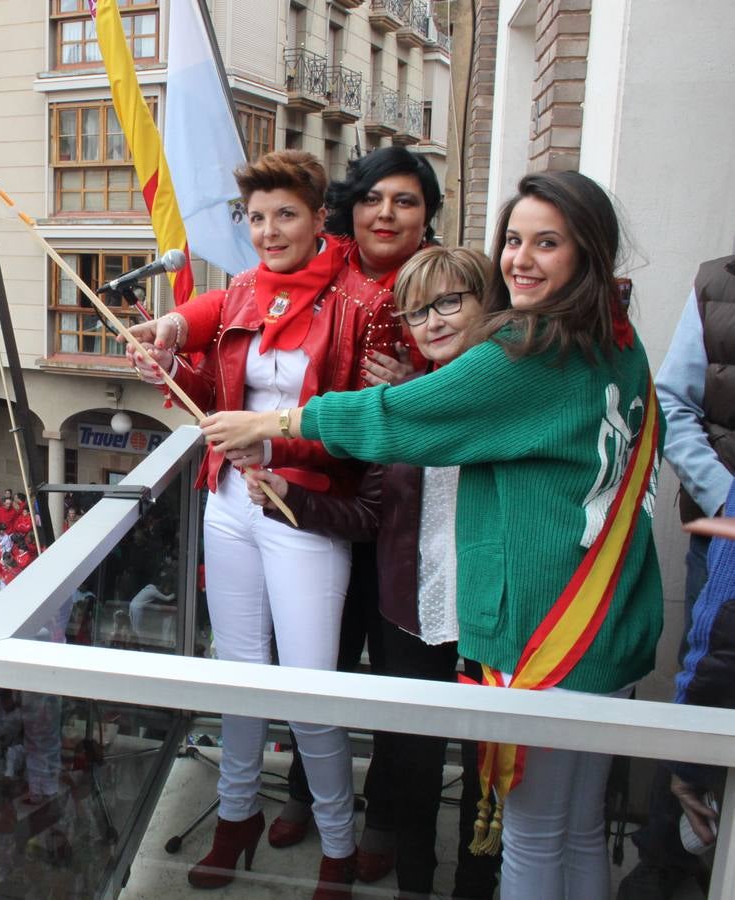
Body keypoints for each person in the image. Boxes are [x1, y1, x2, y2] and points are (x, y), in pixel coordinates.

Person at [203, 170, 663, 900]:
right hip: (607, 619)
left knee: (534, 841)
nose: (522, 259)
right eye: (514, 239)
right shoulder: (616, 337)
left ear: (590, 252)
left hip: (550, 634)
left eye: (548, 243)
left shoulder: (530, 351)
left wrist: (272, 422)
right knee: (578, 832)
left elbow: (394, 416)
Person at [124, 149, 405, 892]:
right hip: (229, 503)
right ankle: (235, 813)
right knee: (237, 675)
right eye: (256, 218)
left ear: (319, 217)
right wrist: (167, 357)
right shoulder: (245, 290)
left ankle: (338, 848)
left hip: (306, 508)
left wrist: (271, 438)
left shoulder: (364, 302)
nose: (269, 231)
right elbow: (202, 356)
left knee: (311, 689)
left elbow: (364, 429)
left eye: (285, 215)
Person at [250, 245, 502, 899]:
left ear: (486, 303)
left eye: (450, 301)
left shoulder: (511, 401)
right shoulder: (404, 405)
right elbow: (368, 515)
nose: (434, 321)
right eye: (418, 312)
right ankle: (416, 885)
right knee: (413, 767)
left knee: (490, 773)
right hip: (412, 617)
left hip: (494, 622)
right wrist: (290, 496)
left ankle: (476, 885)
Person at [620, 253, 735, 900]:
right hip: (722, 541)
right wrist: (727, 499)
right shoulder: (719, 283)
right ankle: (667, 861)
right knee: (707, 684)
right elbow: (674, 404)